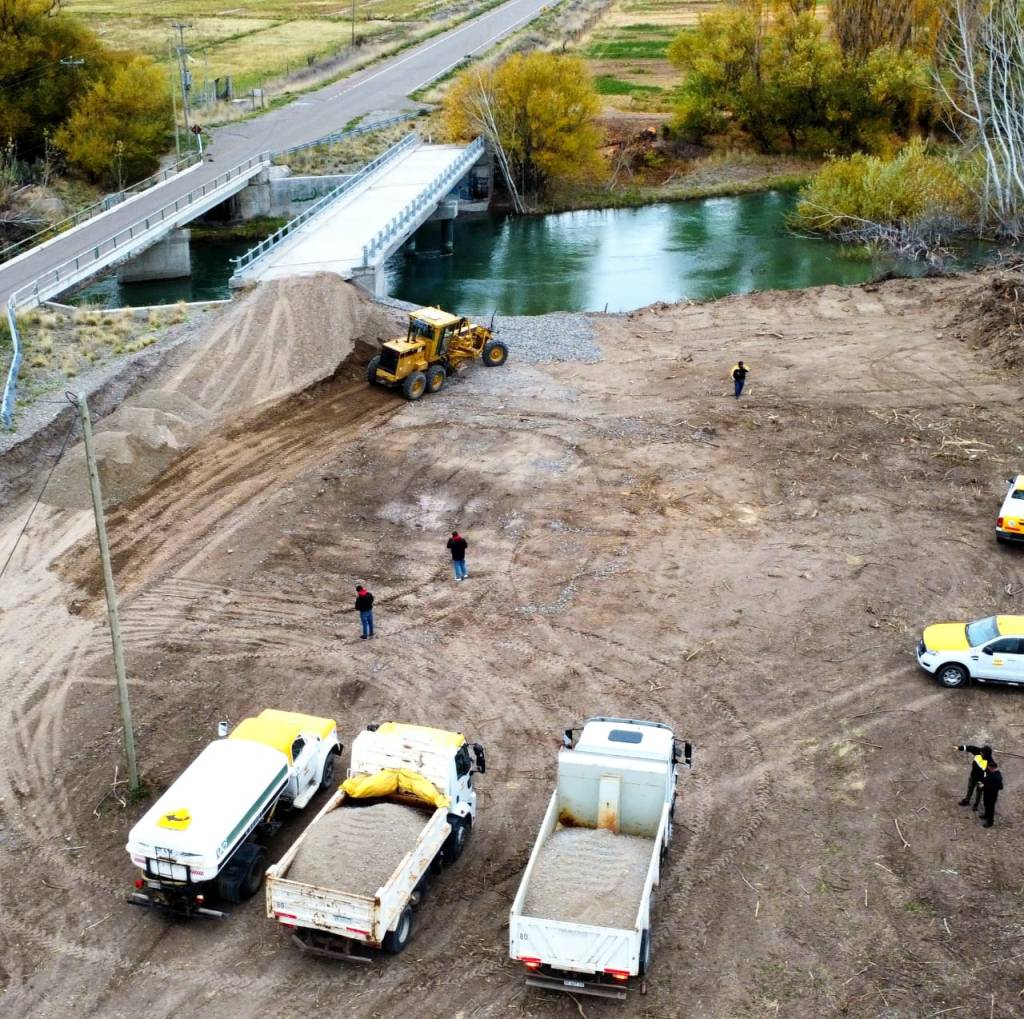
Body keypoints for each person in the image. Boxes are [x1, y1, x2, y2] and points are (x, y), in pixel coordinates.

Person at [957, 743, 992, 808]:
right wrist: (959, 748)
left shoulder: (990, 763)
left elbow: (989, 775)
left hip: (981, 780)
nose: (980, 753)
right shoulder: (980, 752)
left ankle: (976, 805)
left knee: (979, 792)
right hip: (973, 776)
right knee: (970, 788)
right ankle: (967, 800)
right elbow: (970, 748)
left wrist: (983, 783)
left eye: (982, 753)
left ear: (985, 755)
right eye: (981, 752)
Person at [980, 760, 1003, 828]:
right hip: (987, 793)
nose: (988, 770)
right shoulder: (992, 773)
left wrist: (984, 786)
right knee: (986, 804)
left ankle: (990, 822)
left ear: (993, 768)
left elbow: (998, 787)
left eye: (989, 768)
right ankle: (986, 815)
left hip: (992, 795)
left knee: (990, 808)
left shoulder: (997, 777)